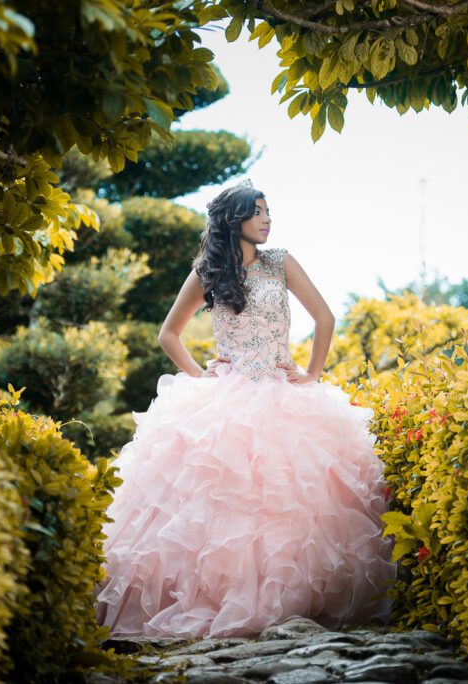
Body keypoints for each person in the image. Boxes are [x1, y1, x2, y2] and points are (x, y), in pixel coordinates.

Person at [93, 180, 395, 638]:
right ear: (235, 221)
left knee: (293, 499)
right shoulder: (208, 271)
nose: (268, 219)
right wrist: (199, 375)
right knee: (217, 502)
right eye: (258, 212)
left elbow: (324, 317)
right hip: (227, 396)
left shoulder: (280, 262)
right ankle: (219, 601)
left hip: (282, 390)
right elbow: (168, 334)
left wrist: (312, 373)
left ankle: (298, 601)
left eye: (269, 211)